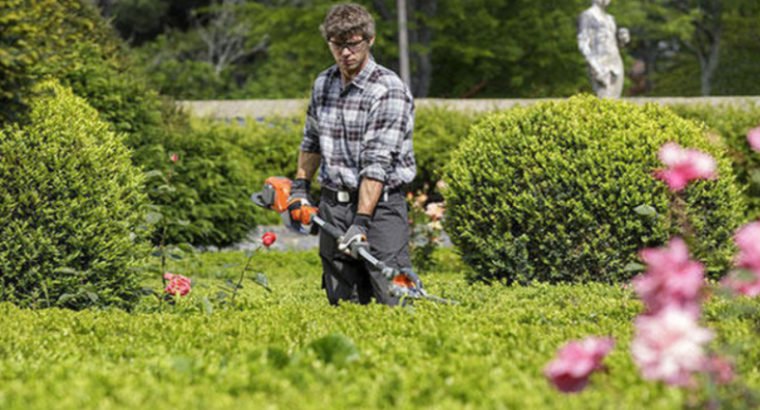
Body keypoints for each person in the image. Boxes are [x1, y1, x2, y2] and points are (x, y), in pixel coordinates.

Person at [288, 3, 419, 306]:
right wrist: (300, 188)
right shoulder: (324, 83)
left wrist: (360, 222)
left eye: (352, 44)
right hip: (334, 204)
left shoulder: (388, 90)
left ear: (369, 40)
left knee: (395, 294)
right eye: (337, 44)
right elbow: (311, 141)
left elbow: (377, 164)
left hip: (382, 210)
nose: (345, 52)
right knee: (342, 299)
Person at [577, 0, 630, 98]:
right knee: (604, 100)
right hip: (600, 64)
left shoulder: (610, 18)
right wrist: (594, 66)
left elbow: (613, 44)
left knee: (615, 101)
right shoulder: (588, 15)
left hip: (616, 63)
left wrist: (622, 40)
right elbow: (583, 44)